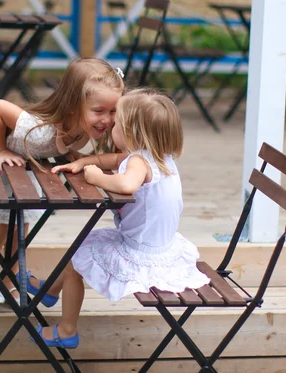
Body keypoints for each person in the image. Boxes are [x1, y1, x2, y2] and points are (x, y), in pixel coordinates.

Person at [29, 88, 210, 348]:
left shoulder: (138, 164)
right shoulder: (159, 157)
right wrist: (86, 161)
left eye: (117, 123)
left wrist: (95, 177)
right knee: (82, 246)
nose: (111, 125)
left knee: (77, 258)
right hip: (160, 247)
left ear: (132, 134)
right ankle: (49, 292)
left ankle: (66, 329)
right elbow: (114, 158)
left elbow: (126, 185)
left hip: (140, 255)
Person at [0, 58, 125, 304]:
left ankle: (11, 274)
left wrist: (73, 157)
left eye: (113, 111)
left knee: (24, 220)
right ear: (73, 107)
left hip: (25, 159)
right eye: (99, 111)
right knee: (3, 220)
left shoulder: (82, 128)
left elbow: (64, 144)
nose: (107, 119)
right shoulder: (38, 130)